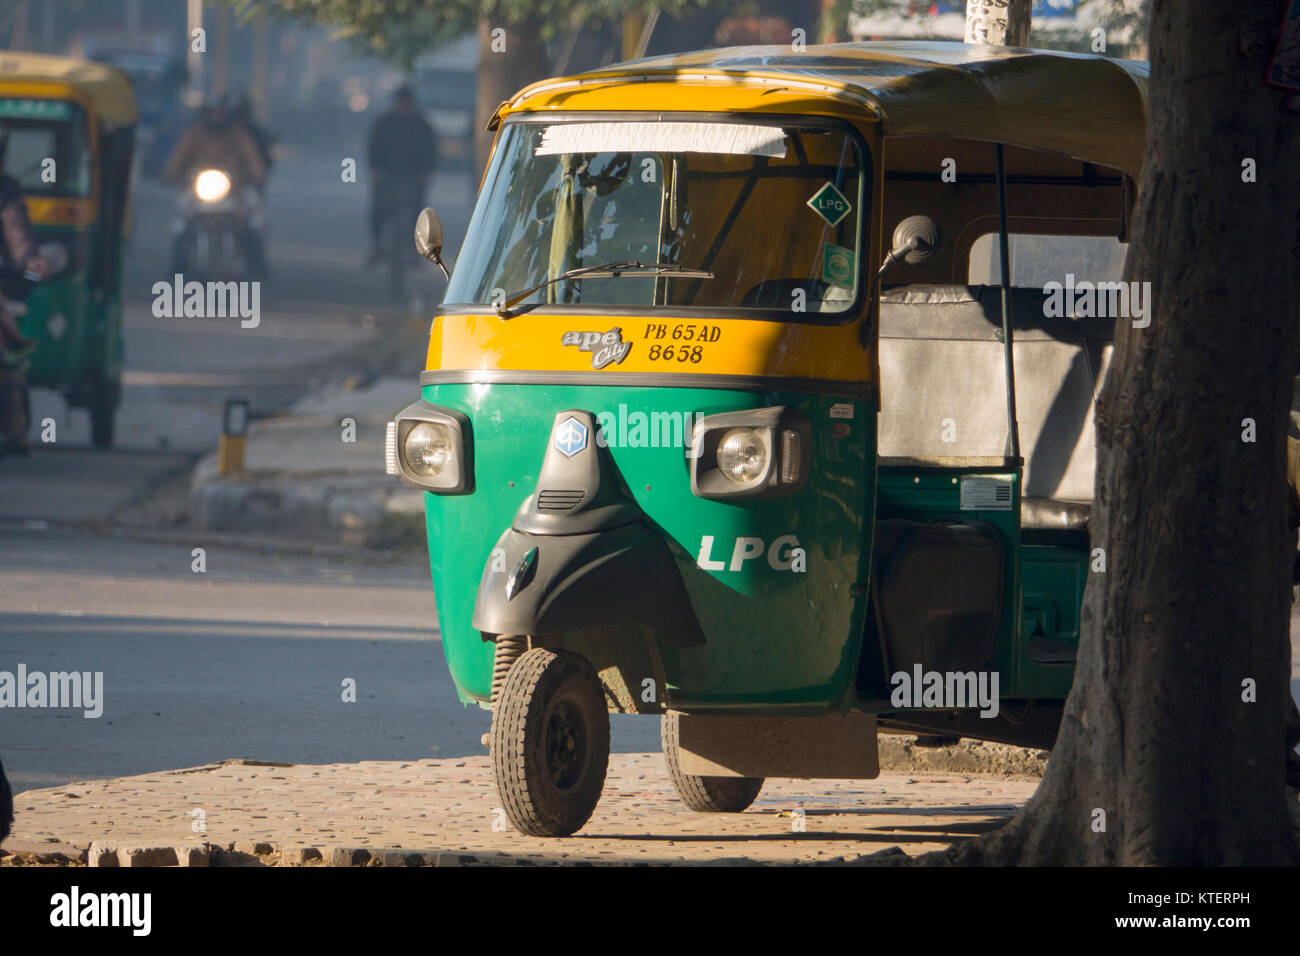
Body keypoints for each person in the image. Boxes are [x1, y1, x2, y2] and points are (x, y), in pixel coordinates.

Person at [163, 97, 269, 274]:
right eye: (213, 113)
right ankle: (177, 264)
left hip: (235, 188)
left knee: (254, 214)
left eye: (221, 113)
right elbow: (177, 158)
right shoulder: (194, 134)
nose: (217, 117)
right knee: (181, 218)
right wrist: (170, 174)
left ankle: (257, 261)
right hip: (198, 188)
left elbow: (253, 161)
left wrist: (257, 175)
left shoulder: (239, 134)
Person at [0, 122, 52, 457]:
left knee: (7, 354)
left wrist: (30, 260)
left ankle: (14, 425)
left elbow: (16, 229)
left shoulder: (5, 189)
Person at [366, 84, 437, 267]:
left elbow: (431, 151)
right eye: (400, 102)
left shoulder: (422, 125)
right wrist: (375, 170)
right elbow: (373, 148)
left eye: (406, 103)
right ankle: (377, 246)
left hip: (414, 178)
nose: (403, 106)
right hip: (387, 177)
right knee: (378, 211)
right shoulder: (383, 123)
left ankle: (414, 252)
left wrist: (427, 173)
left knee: (418, 214)